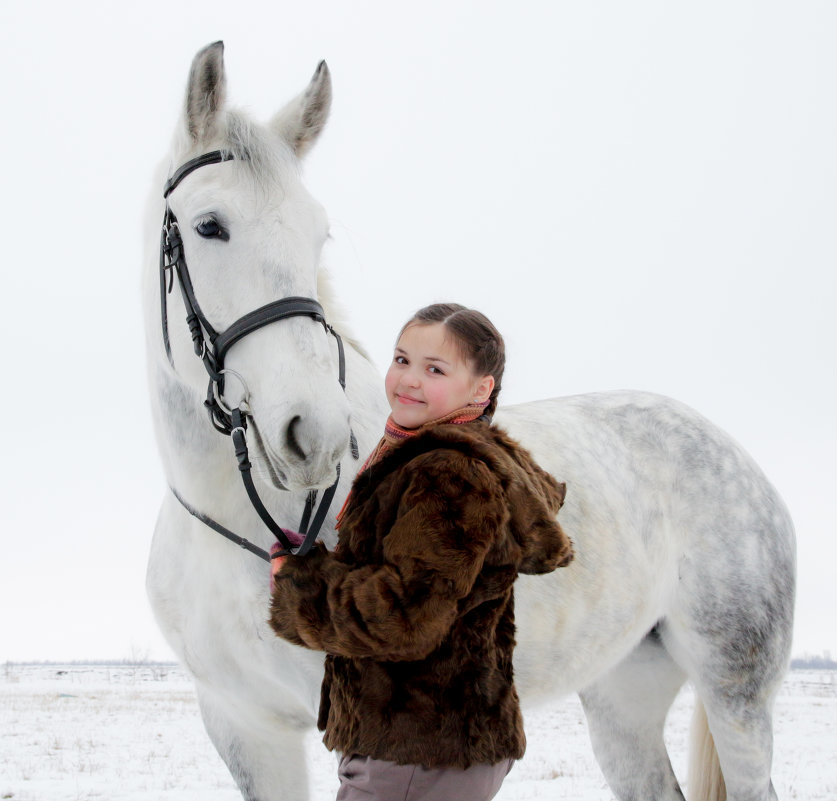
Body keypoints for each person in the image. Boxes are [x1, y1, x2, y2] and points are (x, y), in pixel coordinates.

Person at [269, 303, 573, 801]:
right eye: (402, 359)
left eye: (434, 369)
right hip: (430, 749)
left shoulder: (448, 476)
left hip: (417, 753)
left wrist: (301, 586)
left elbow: (403, 616)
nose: (408, 379)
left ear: (480, 390)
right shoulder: (438, 458)